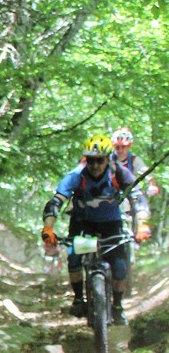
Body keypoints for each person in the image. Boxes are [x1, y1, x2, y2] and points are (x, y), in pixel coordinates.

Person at [41, 133, 149, 326]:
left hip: (111, 225)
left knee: (120, 266)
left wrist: (142, 224)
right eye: (91, 160)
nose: (95, 165)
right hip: (82, 224)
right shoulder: (76, 176)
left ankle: (117, 306)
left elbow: (137, 199)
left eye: (100, 160)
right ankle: (78, 299)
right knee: (74, 257)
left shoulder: (119, 173)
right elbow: (55, 202)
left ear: (108, 158)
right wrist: (48, 227)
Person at [111, 127, 161, 203]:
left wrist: (152, 185)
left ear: (129, 146)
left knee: (141, 207)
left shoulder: (134, 160)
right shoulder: (106, 160)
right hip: (110, 195)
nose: (120, 150)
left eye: (123, 147)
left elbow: (147, 174)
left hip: (128, 194)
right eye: (117, 147)